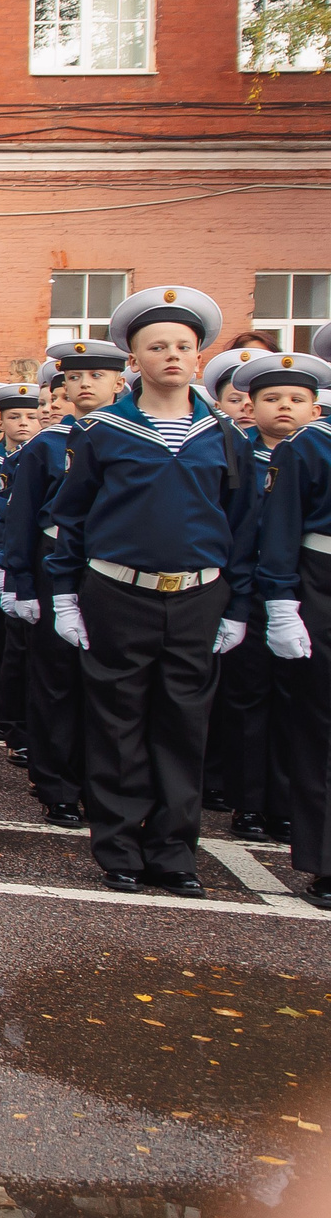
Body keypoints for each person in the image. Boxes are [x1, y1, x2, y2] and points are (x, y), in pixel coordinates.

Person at [45, 285, 260, 897]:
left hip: (198, 597)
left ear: (199, 358)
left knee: (183, 725)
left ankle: (174, 852)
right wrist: (64, 594)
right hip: (119, 592)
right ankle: (118, 848)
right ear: (133, 361)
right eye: (155, 346)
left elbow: (242, 525)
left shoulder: (225, 436)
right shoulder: (105, 432)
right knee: (117, 724)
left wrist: (237, 607)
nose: (171, 355)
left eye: (183, 347)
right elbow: (74, 518)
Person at [0, 341, 126, 830]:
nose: (85, 384)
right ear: (63, 388)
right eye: (75, 378)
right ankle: (57, 785)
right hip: (55, 560)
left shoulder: (132, 438)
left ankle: (104, 784)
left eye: (97, 375)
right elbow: (24, 518)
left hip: (113, 564)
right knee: (56, 677)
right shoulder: (47, 446)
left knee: (113, 683)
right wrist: (21, 582)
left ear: (120, 382)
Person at [218, 351, 323, 844]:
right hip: (254, 590)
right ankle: (250, 801)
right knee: (249, 699)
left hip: (304, 590)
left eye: (296, 399)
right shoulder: (237, 453)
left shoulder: (308, 453)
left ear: (315, 409)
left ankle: (283, 804)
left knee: (296, 704)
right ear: (250, 406)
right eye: (271, 398)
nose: (284, 407)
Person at [257, 331, 331, 909]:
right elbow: (280, 531)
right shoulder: (309, 446)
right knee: (322, 728)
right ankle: (326, 859)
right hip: (322, 583)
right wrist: (282, 605)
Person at [0, 381, 47, 765]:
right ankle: (11, 720)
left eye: (33, 415)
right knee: (6, 645)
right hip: (16, 558)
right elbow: (3, 514)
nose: (25, 423)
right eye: (15, 416)